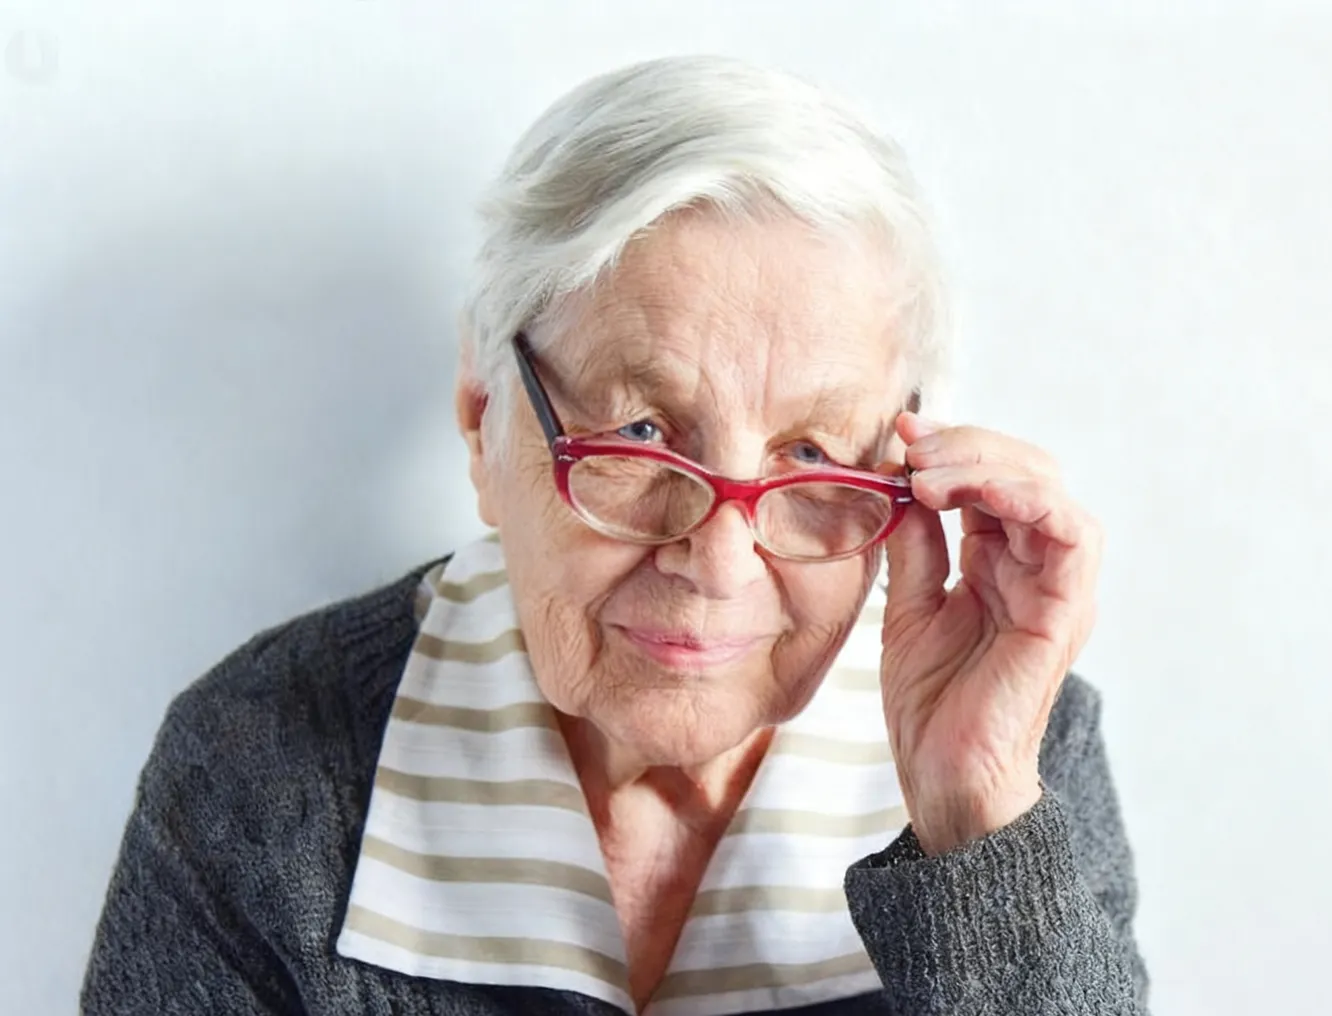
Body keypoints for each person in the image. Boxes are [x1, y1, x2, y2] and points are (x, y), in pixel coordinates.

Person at [82, 55, 1149, 1015]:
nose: (717, 565)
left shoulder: (1019, 750)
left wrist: (976, 825)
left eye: (812, 453)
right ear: (483, 417)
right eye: (640, 434)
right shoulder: (262, 764)